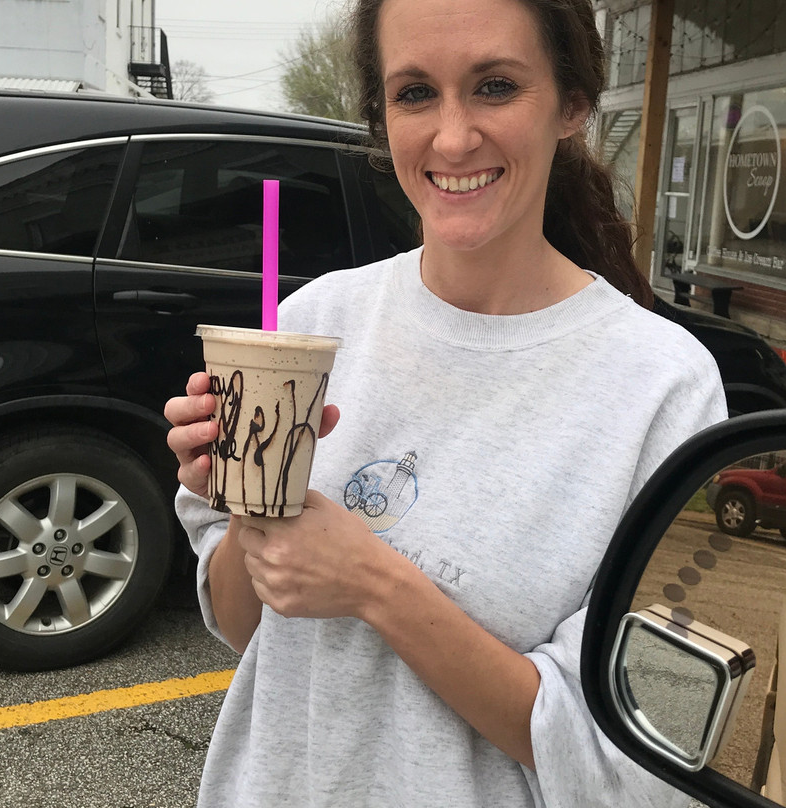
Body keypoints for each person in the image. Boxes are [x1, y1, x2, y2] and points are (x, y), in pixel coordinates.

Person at [164, 0, 727, 805]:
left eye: (495, 86)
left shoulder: (661, 385)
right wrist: (243, 498)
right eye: (415, 93)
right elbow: (244, 628)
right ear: (382, 116)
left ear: (571, 103)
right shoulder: (312, 324)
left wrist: (374, 585)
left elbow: (622, 760)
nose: (453, 138)